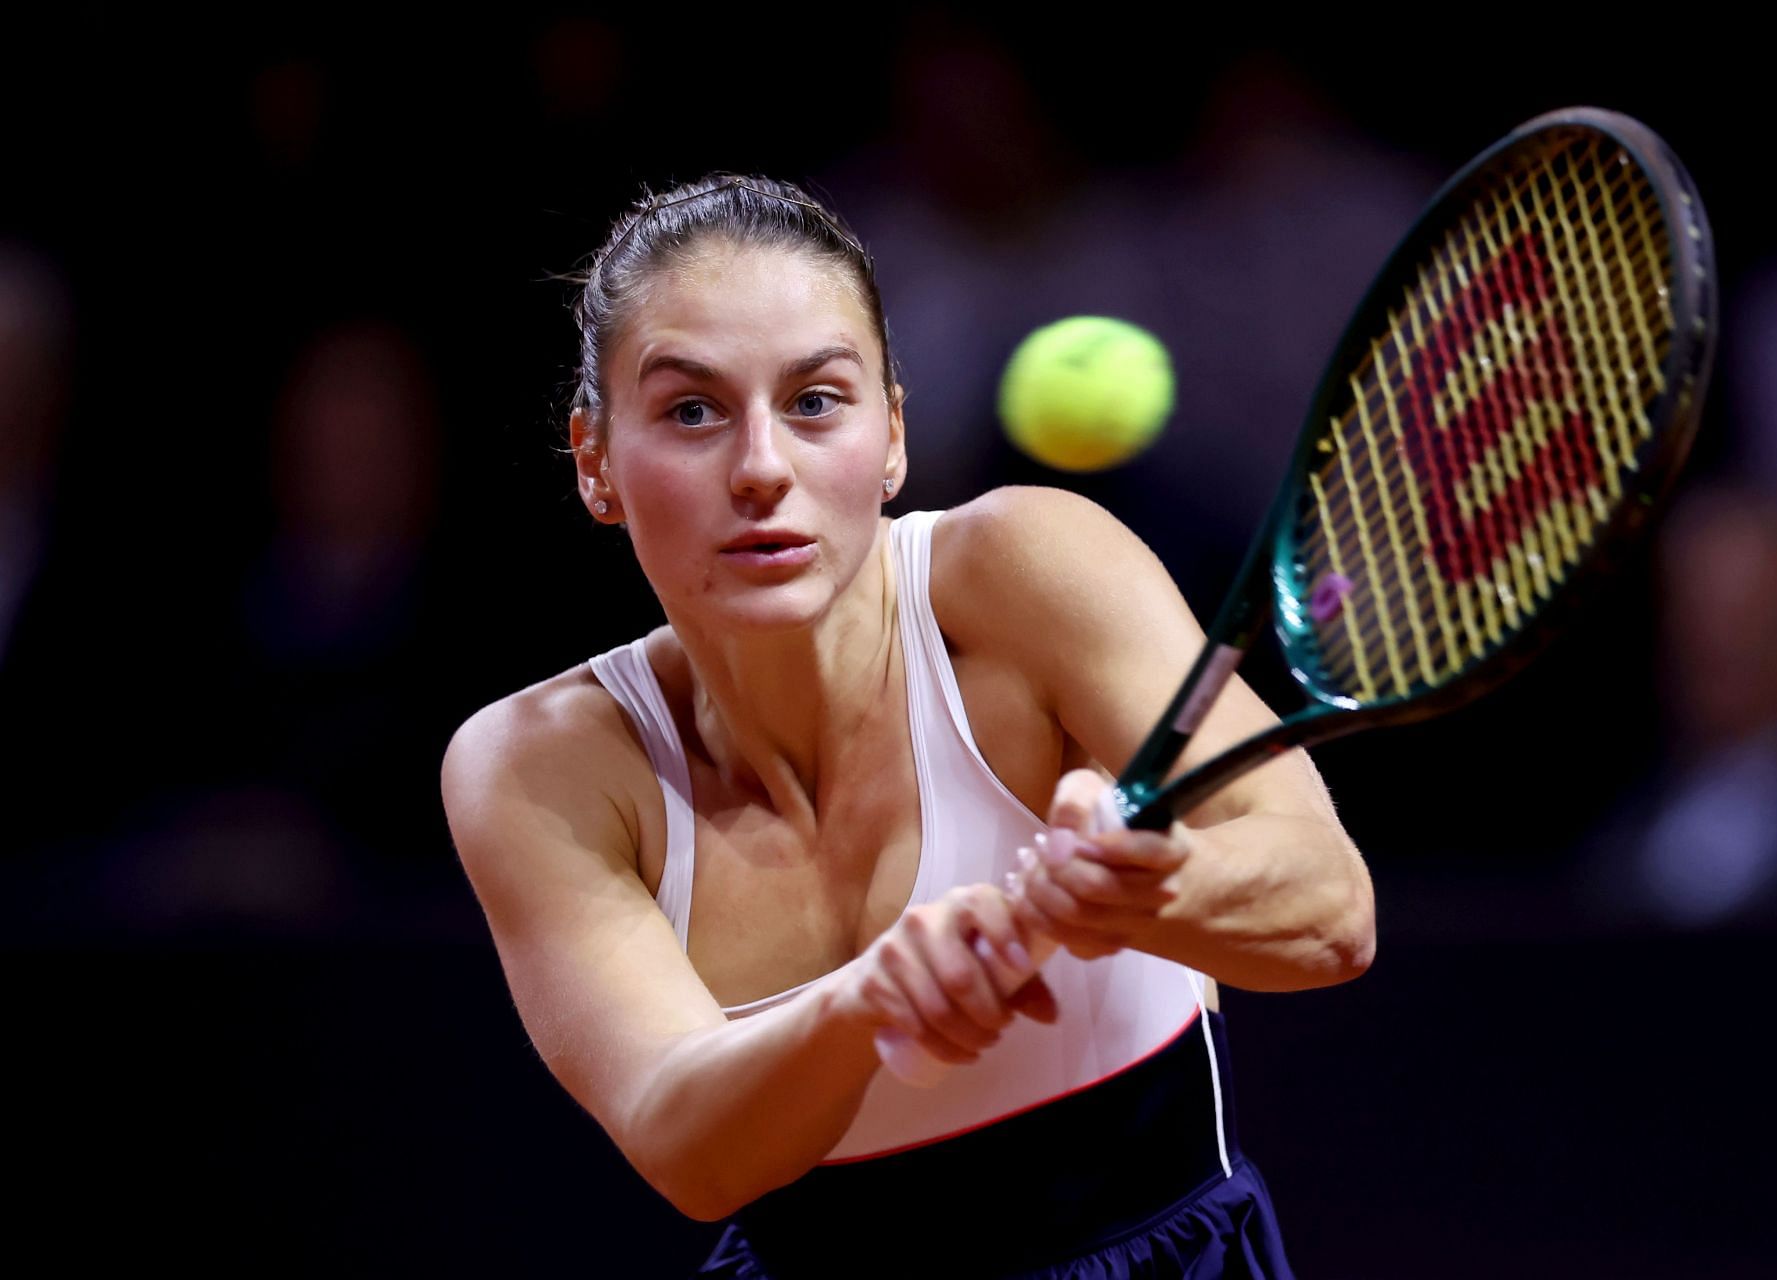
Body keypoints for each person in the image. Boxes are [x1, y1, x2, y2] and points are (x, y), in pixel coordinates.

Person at [440, 175, 1375, 1278]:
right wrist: (873, 999)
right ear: (595, 460)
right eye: (692, 410)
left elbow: (1332, 910)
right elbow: (685, 1141)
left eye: (816, 401)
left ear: (891, 434)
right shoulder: (539, 763)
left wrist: (1146, 885)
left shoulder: (1028, 569)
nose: (760, 468)